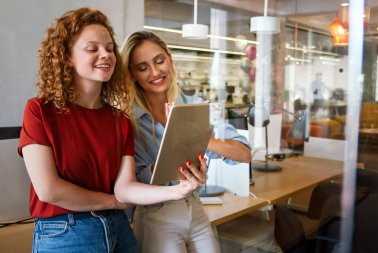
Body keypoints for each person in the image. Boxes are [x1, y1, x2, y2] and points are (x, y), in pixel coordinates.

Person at [18, 8, 206, 253]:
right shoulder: (40, 110)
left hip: (120, 229)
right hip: (66, 232)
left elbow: (125, 186)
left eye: (109, 48)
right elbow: (49, 190)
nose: (105, 54)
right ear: (67, 57)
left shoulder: (120, 120)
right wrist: (112, 201)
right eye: (92, 48)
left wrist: (179, 189)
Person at [119, 30, 251, 253]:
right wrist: (177, 165)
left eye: (159, 61)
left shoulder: (194, 105)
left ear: (169, 59)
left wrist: (196, 134)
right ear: (132, 75)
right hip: (156, 215)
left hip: (195, 208)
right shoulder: (128, 120)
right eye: (142, 68)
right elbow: (132, 183)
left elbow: (244, 153)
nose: (155, 72)